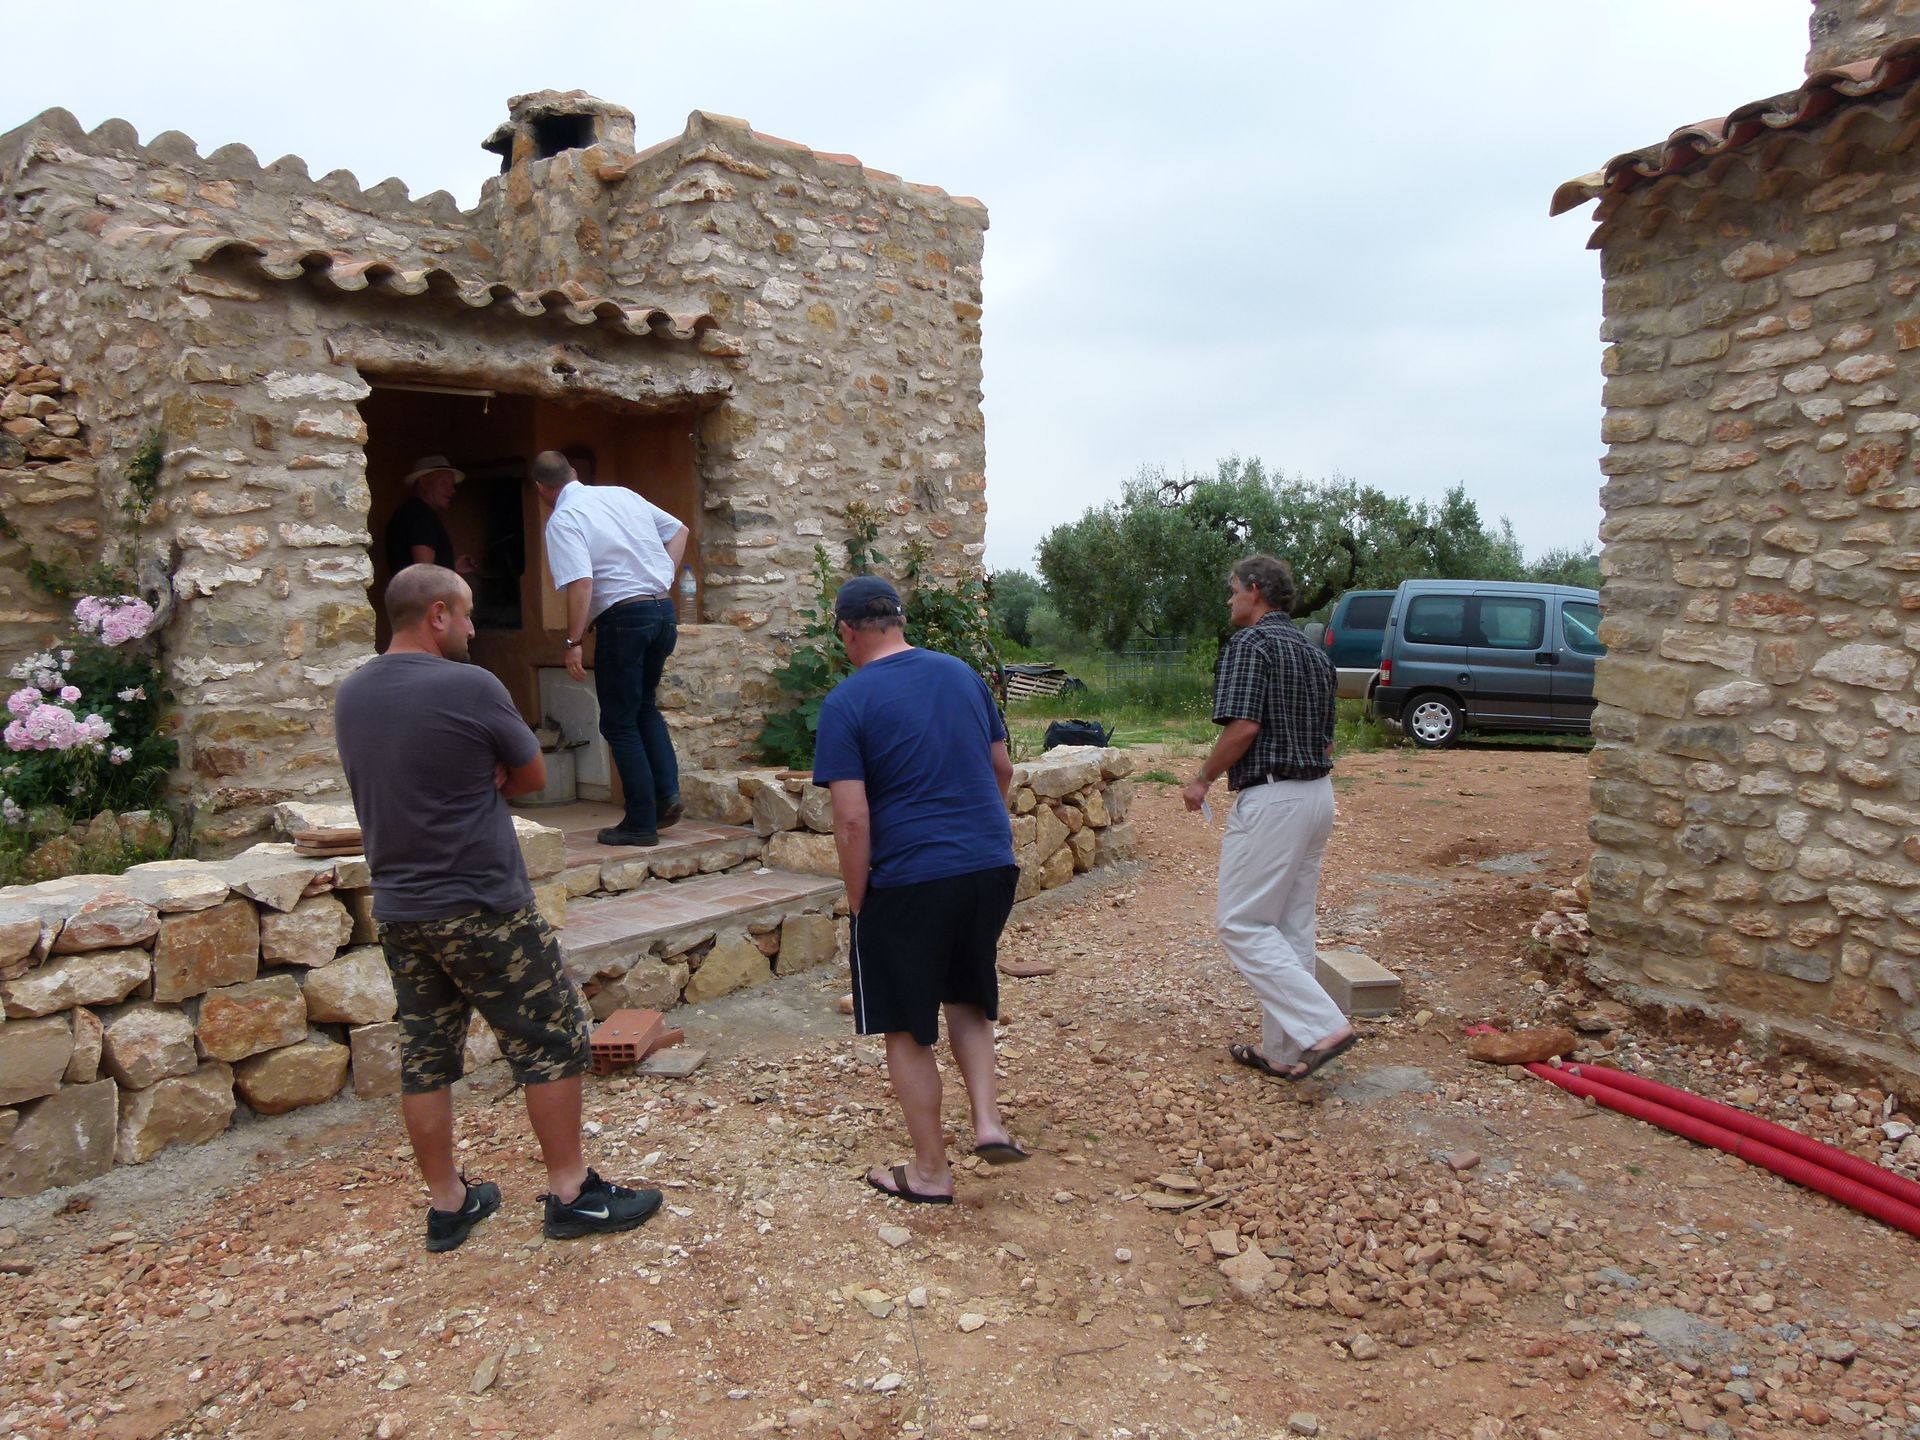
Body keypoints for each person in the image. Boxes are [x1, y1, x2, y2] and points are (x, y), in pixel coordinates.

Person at [335, 563, 663, 1252]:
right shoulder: (469, 685)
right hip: (480, 898)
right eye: (468, 613)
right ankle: (573, 1193)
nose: (475, 627)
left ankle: (449, 1203)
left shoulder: (353, 692)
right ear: (437, 616)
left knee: (426, 1054)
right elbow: (534, 776)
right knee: (550, 1038)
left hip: (400, 904)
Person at [811, 576, 1028, 1205]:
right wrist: (979, 832)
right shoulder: (962, 676)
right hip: (987, 868)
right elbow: (1002, 770)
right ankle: (988, 1121)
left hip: (909, 879)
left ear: (847, 632)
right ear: (899, 622)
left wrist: (859, 902)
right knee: (967, 993)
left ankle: (932, 1172)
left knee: (906, 1027)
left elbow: (852, 819)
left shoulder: (847, 703)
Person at [1181, 555, 1356, 1081]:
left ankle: (1325, 1026)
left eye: (1233, 590)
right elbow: (1325, 733)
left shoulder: (1250, 645)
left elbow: (1244, 728)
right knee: (1290, 926)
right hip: (1318, 795)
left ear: (1255, 591)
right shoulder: (1312, 650)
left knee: (1241, 923)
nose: (1230, 599)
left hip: (1275, 797)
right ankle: (1283, 1051)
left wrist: (1202, 779)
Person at [530, 449, 687, 848]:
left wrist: (573, 641)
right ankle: (666, 797)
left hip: (623, 619)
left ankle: (640, 822)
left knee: (619, 722)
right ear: (574, 473)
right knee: (644, 707)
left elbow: (581, 582)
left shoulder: (563, 519)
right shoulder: (621, 494)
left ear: (542, 489)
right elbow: (679, 530)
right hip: (661, 611)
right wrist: (661, 578)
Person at [385, 455, 474, 578]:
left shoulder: (408, 512)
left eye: (452, 484)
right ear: (424, 482)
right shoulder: (423, 516)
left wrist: (452, 567)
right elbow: (425, 573)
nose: (452, 490)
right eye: (444, 482)